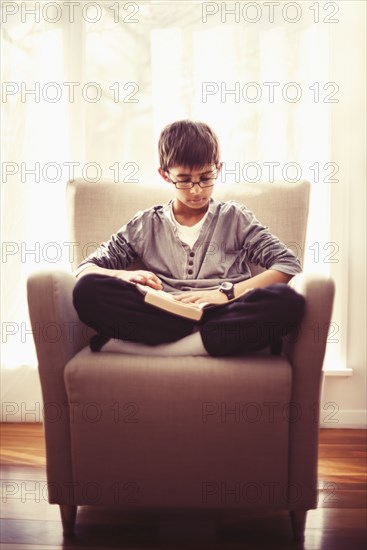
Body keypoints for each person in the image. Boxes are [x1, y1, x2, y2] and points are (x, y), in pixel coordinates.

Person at [72, 120, 305, 357]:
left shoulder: (234, 217)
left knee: (287, 302)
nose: (196, 190)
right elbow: (85, 269)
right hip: (164, 316)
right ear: (164, 175)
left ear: (219, 169)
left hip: (225, 311)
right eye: (184, 180)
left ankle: (166, 351)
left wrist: (226, 294)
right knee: (87, 291)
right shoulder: (145, 224)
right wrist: (125, 275)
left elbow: (287, 264)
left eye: (205, 178)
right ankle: (203, 343)